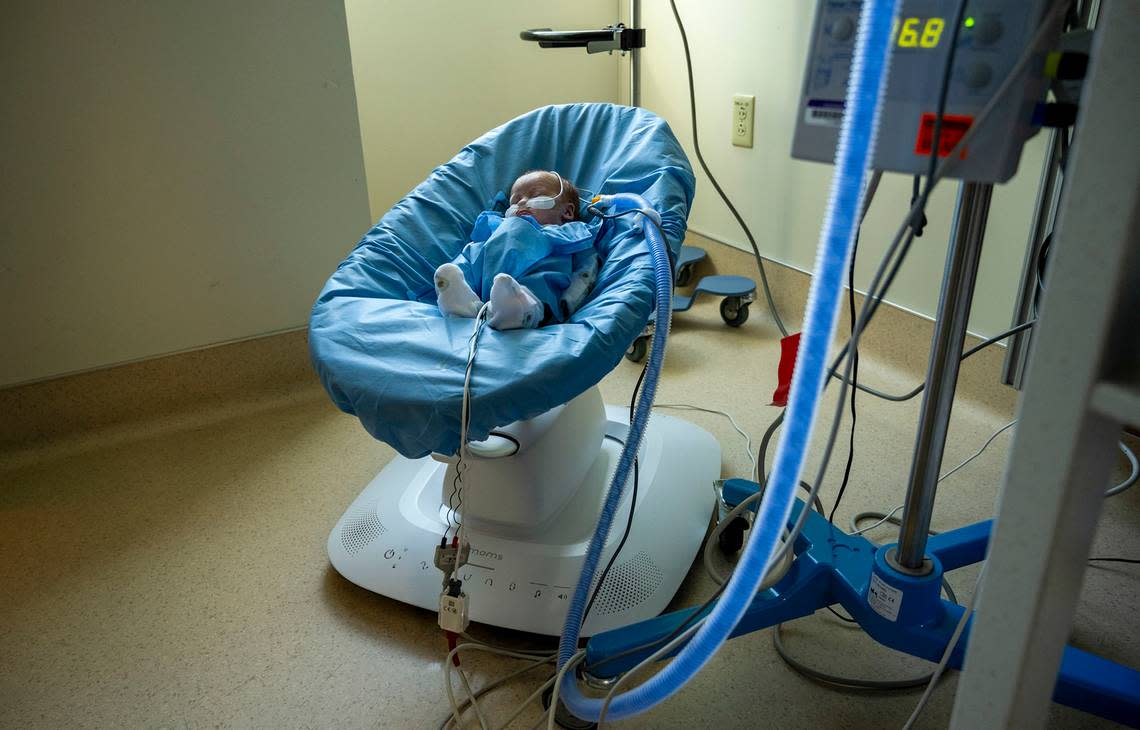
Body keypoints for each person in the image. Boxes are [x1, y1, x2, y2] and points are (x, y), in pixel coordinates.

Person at [434, 170, 601, 330]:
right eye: (515, 200)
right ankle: (464, 303)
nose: (521, 202)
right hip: (488, 274)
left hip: (535, 289)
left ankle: (520, 310)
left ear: (568, 211)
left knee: (537, 287)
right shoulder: (495, 229)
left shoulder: (572, 235)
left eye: (536, 195)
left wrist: (570, 300)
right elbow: (473, 254)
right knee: (470, 256)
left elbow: (587, 265)